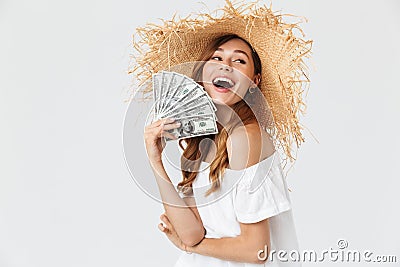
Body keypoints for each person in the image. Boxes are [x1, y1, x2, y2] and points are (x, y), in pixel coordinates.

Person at [133, 1, 312, 266]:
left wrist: (190, 247)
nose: (225, 65)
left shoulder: (246, 137)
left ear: (254, 81)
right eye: (216, 58)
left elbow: (256, 250)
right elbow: (192, 233)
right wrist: (155, 159)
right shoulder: (203, 141)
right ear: (203, 74)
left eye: (239, 60)